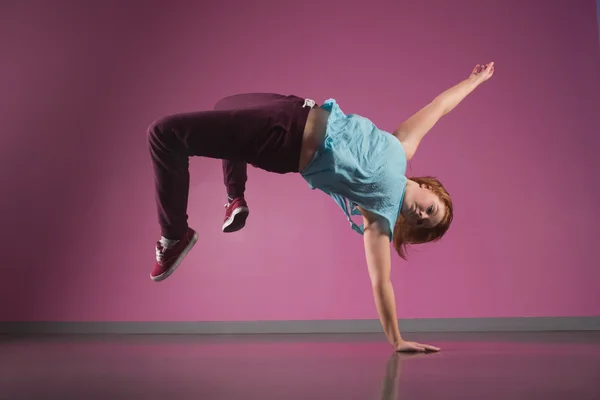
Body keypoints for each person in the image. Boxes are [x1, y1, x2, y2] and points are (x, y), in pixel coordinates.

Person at [146, 62, 495, 352]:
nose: (421, 216)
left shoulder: (378, 218)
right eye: (431, 210)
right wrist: (474, 80)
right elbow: (440, 106)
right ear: (428, 187)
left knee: (164, 133)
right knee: (224, 106)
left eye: (422, 224)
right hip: (296, 108)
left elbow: (381, 283)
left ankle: (175, 235)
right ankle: (234, 197)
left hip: (280, 141)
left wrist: (396, 339)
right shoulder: (402, 147)